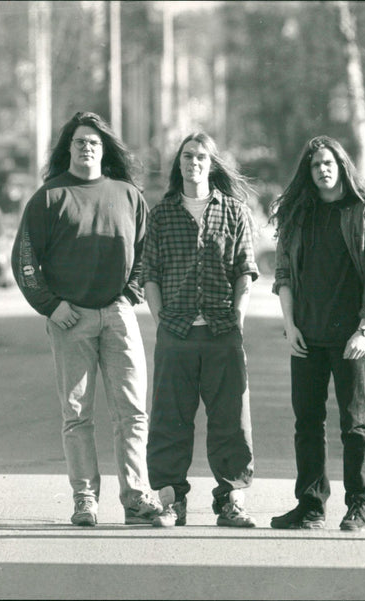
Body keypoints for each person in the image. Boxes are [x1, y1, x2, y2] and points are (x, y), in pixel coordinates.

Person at [11, 111, 161, 527]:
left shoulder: (129, 195)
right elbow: (24, 259)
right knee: (77, 415)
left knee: (132, 412)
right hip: (69, 318)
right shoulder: (49, 197)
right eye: (79, 142)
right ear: (68, 149)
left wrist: (129, 295)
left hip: (118, 313)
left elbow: (147, 253)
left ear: (105, 149)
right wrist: (50, 304)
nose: (87, 147)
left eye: (94, 142)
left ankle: (135, 497)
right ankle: (85, 500)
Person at [268, 136, 365, 531]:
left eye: (329, 163)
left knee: (354, 422)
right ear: (307, 173)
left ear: (342, 166)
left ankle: (358, 504)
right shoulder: (298, 217)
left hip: (350, 337)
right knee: (306, 423)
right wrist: (290, 326)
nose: (323, 170)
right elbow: (284, 276)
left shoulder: (364, 214)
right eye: (315, 165)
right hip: (306, 334)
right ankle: (310, 505)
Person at [141, 132, 258, 528]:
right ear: (179, 165)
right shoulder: (161, 214)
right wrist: (160, 319)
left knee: (230, 419)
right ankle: (172, 501)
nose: (194, 163)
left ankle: (231, 500)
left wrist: (239, 315)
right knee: (170, 419)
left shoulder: (234, 212)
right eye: (187, 156)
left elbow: (245, 269)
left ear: (212, 164)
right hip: (176, 332)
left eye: (201, 157)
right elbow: (149, 273)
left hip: (222, 329)